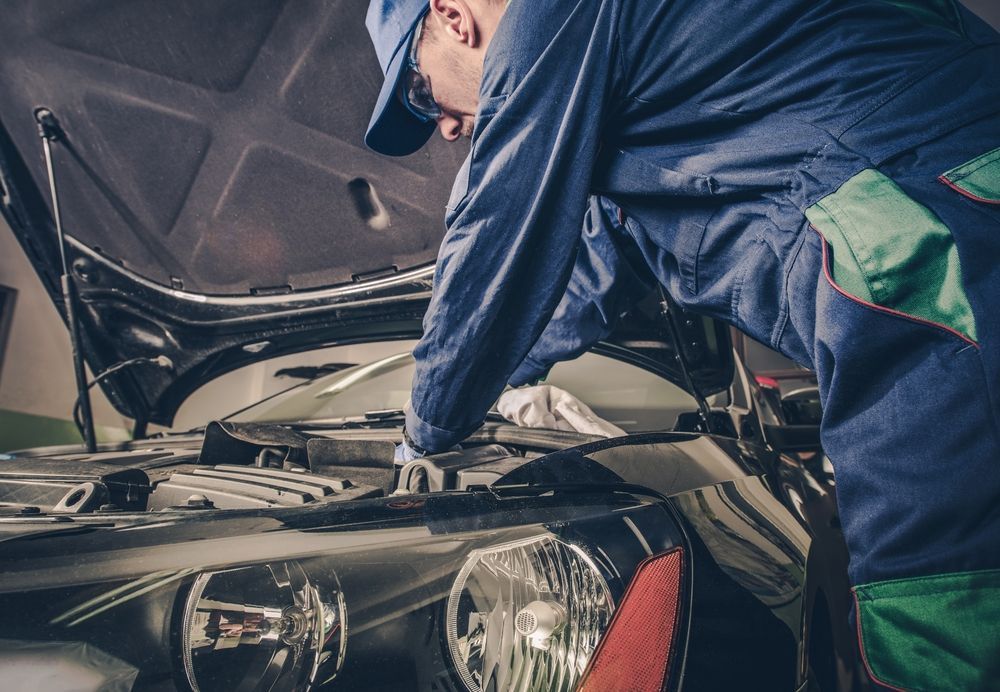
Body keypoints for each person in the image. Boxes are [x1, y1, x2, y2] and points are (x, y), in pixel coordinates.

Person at [364, 0, 1000, 688]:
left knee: (937, 605)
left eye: (421, 93)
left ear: (455, 16)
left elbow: (495, 236)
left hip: (927, 244)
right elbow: (590, 268)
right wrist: (502, 383)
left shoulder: (547, 19)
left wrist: (423, 435)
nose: (449, 127)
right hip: (941, 212)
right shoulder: (645, 83)